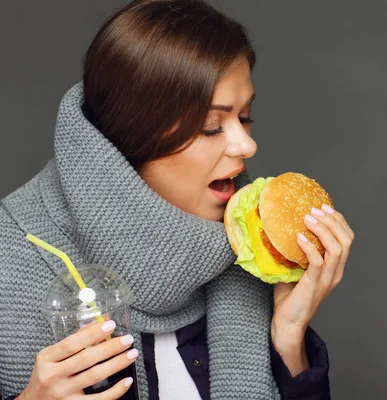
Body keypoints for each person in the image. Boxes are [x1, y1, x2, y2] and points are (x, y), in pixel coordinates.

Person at [0, 1, 354, 399]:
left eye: (246, 116)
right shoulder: (8, 259)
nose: (247, 144)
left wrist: (289, 341)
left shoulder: (254, 256)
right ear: (132, 139)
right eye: (210, 127)